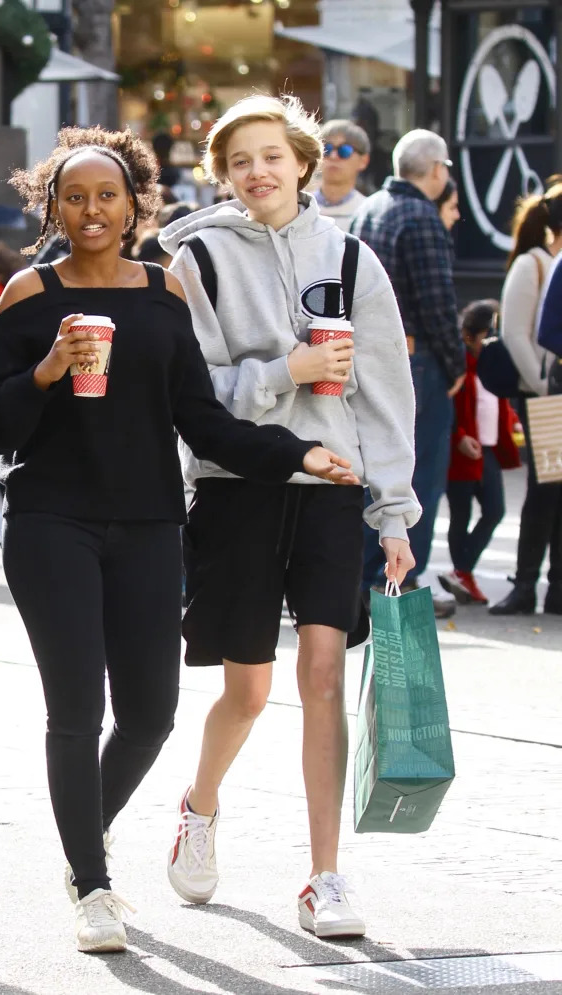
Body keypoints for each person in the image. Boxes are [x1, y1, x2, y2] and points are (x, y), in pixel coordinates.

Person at [0, 125, 359, 955]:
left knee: (149, 715)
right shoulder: (28, 296)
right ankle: (91, 882)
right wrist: (44, 370)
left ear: (136, 203)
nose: (91, 210)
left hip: (149, 523)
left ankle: (83, 836)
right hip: (50, 523)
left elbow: (205, 420)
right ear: (53, 206)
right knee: (76, 708)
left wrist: (298, 454)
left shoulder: (164, 293)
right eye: (73, 196)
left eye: (106, 194)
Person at [157, 94, 418, 940]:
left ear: (305, 162)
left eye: (272, 155)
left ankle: (324, 875)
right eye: (239, 161)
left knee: (323, 674)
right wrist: (288, 368)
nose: (258, 172)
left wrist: (395, 514)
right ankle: (200, 805)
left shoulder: (351, 258)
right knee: (249, 688)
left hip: (335, 490)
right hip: (237, 484)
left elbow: (385, 397)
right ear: (223, 174)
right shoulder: (194, 258)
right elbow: (192, 395)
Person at [351, 129, 465, 619]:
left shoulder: (369, 208)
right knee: (418, 473)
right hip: (416, 361)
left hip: (363, 356)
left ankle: (362, 580)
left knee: (374, 468)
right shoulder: (421, 215)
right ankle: (401, 581)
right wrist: (456, 364)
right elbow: (439, 303)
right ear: (436, 169)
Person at [489, 185, 562, 615]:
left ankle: (555, 588)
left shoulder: (550, 263)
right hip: (547, 398)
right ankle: (526, 584)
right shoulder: (533, 264)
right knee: (544, 490)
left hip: (551, 395)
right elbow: (516, 333)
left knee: (556, 492)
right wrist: (540, 386)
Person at [439, 300, 520, 605]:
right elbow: (449, 407)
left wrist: (512, 423)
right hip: (461, 451)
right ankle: (463, 574)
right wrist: (458, 436)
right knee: (461, 514)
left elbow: (499, 403)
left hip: (488, 449)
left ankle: (461, 571)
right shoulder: (458, 365)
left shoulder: (493, 363)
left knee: (495, 510)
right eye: (485, 336)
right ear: (469, 335)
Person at [313, 119, 369, 232]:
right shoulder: (299, 207)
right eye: (327, 149)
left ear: (363, 161)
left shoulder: (368, 212)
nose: (333, 156)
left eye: (344, 150)